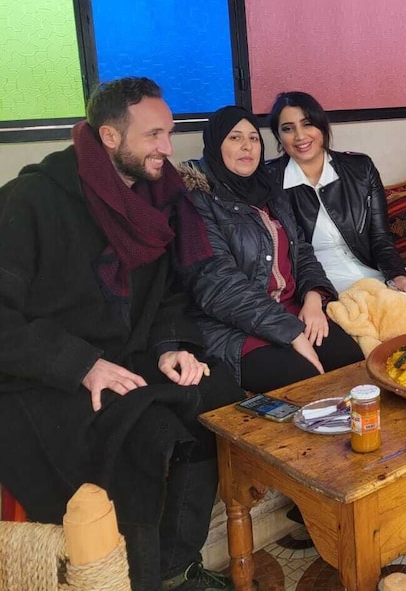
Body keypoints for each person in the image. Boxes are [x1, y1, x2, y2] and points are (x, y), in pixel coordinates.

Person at [0, 77, 245, 591]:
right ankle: (140, 579)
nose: (168, 148)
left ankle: (178, 567)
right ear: (109, 136)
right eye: (154, 135)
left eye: (169, 133)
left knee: (216, 393)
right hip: (44, 373)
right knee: (146, 435)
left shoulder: (155, 199)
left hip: (126, 355)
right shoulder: (31, 200)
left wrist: (170, 347)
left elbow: (169, 295)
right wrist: (81, 365)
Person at [178, 106, 364, 394]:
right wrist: (291, 333)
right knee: (304, 381)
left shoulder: (269, 190)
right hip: (233, 327)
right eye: (235, 138)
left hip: (289, 310)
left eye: (253, 138)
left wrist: (313, 298)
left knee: (351, 362)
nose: (247, 146)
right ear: (215, 145)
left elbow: (302, 251)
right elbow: (219, 286)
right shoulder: (196, 201)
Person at [266, 91, 406, 301]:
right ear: (278, 136)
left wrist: (397, 275)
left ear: (322, 126)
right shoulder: (270, 182)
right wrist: (313, 293)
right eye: (288, 128)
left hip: (374, 272)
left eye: (307, 124)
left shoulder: (360, 169)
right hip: (320, 284)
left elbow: (380, 238)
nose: (300, 136)